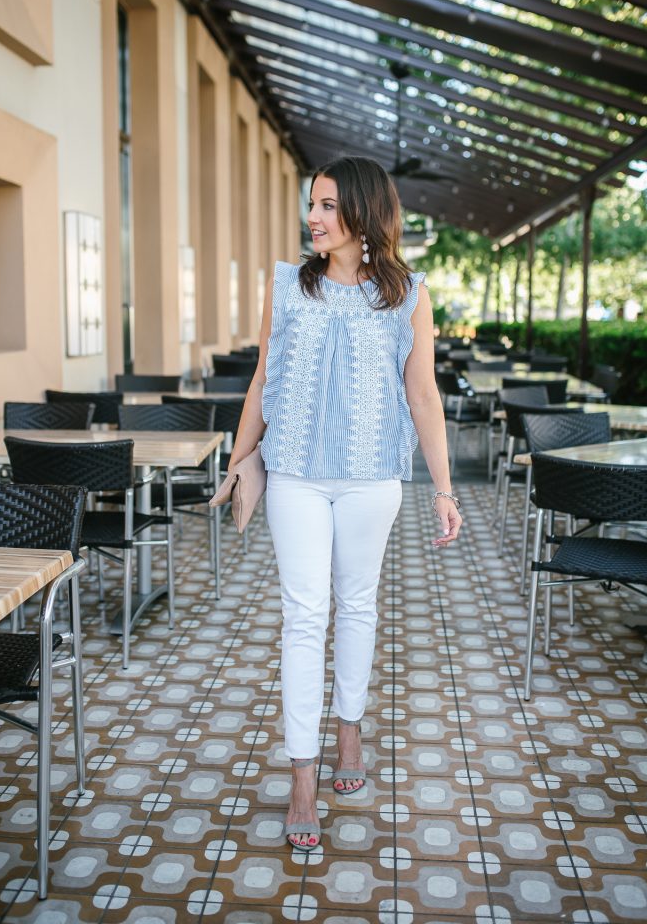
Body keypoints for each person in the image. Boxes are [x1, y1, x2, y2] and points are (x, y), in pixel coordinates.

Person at [227, 155, 461, 850]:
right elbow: (262, 381)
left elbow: (423, 395)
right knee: (305, 616)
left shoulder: (408, 296)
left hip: (370, 479)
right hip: (294, 472)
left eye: (327, 205)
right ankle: (304, 772)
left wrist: (444, 489)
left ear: (362, 212)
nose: (314, 217)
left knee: (358, 605)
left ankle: (348, 734)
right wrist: (241, 459)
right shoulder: (288, 287)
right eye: (312, 205)